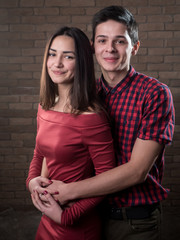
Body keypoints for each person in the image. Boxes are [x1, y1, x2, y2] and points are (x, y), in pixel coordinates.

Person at [35, 6, 175, 240]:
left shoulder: (154, 94)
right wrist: (36, 182)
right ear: (92, 47)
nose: (109, 48)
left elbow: (137, 171)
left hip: (132, 220)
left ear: (135, 47)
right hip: (89, 213)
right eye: (102, 40)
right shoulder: (86, 95)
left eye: (120, 41)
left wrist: (67, 191)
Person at [26, 26, 116, 240]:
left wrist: (67, 217)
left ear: (82, 62)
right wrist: (31, 182)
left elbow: (106, 181)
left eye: (67, 57)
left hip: (75, 224)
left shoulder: (92, 117)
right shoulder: (45, 106)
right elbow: (40, 153)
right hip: (47, 218)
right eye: (52, 54)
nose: (56, 63)